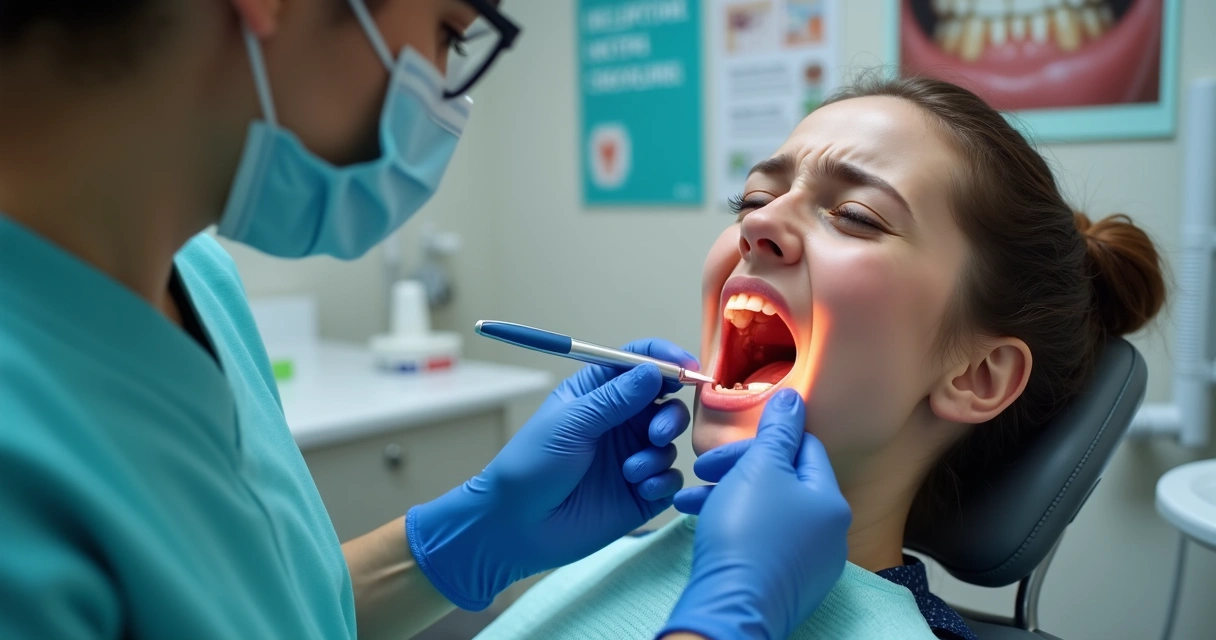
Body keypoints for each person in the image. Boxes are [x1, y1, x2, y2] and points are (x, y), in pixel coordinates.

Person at [0, 1, 854, 639]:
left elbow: (262, 615)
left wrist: (467, 538)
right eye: (449, 31)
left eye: (858, 216)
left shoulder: (198, 281)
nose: (760, 226)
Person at [475, 75, 1168, 640]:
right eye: (754, 196)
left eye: (857, 216)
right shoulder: (601, 561)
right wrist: (470, 540)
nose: (758, 222)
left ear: (976, 376)